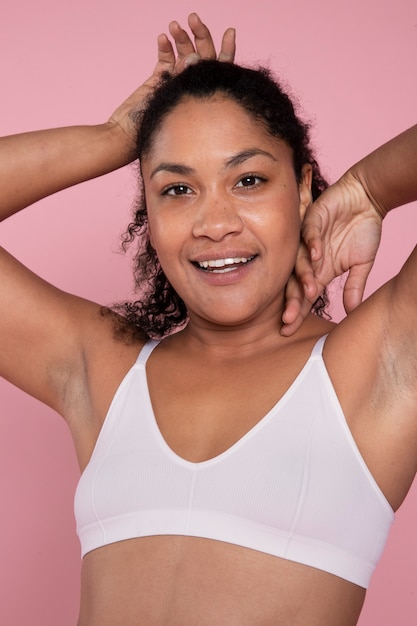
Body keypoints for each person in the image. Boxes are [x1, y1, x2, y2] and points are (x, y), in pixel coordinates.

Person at [1, 12, 416, 626]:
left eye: (248, 180)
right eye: (176, 189)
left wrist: (370, 187)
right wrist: (114, 138)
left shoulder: (378, 364)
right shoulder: (105, 373)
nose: (214, 222)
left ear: (302, 189)